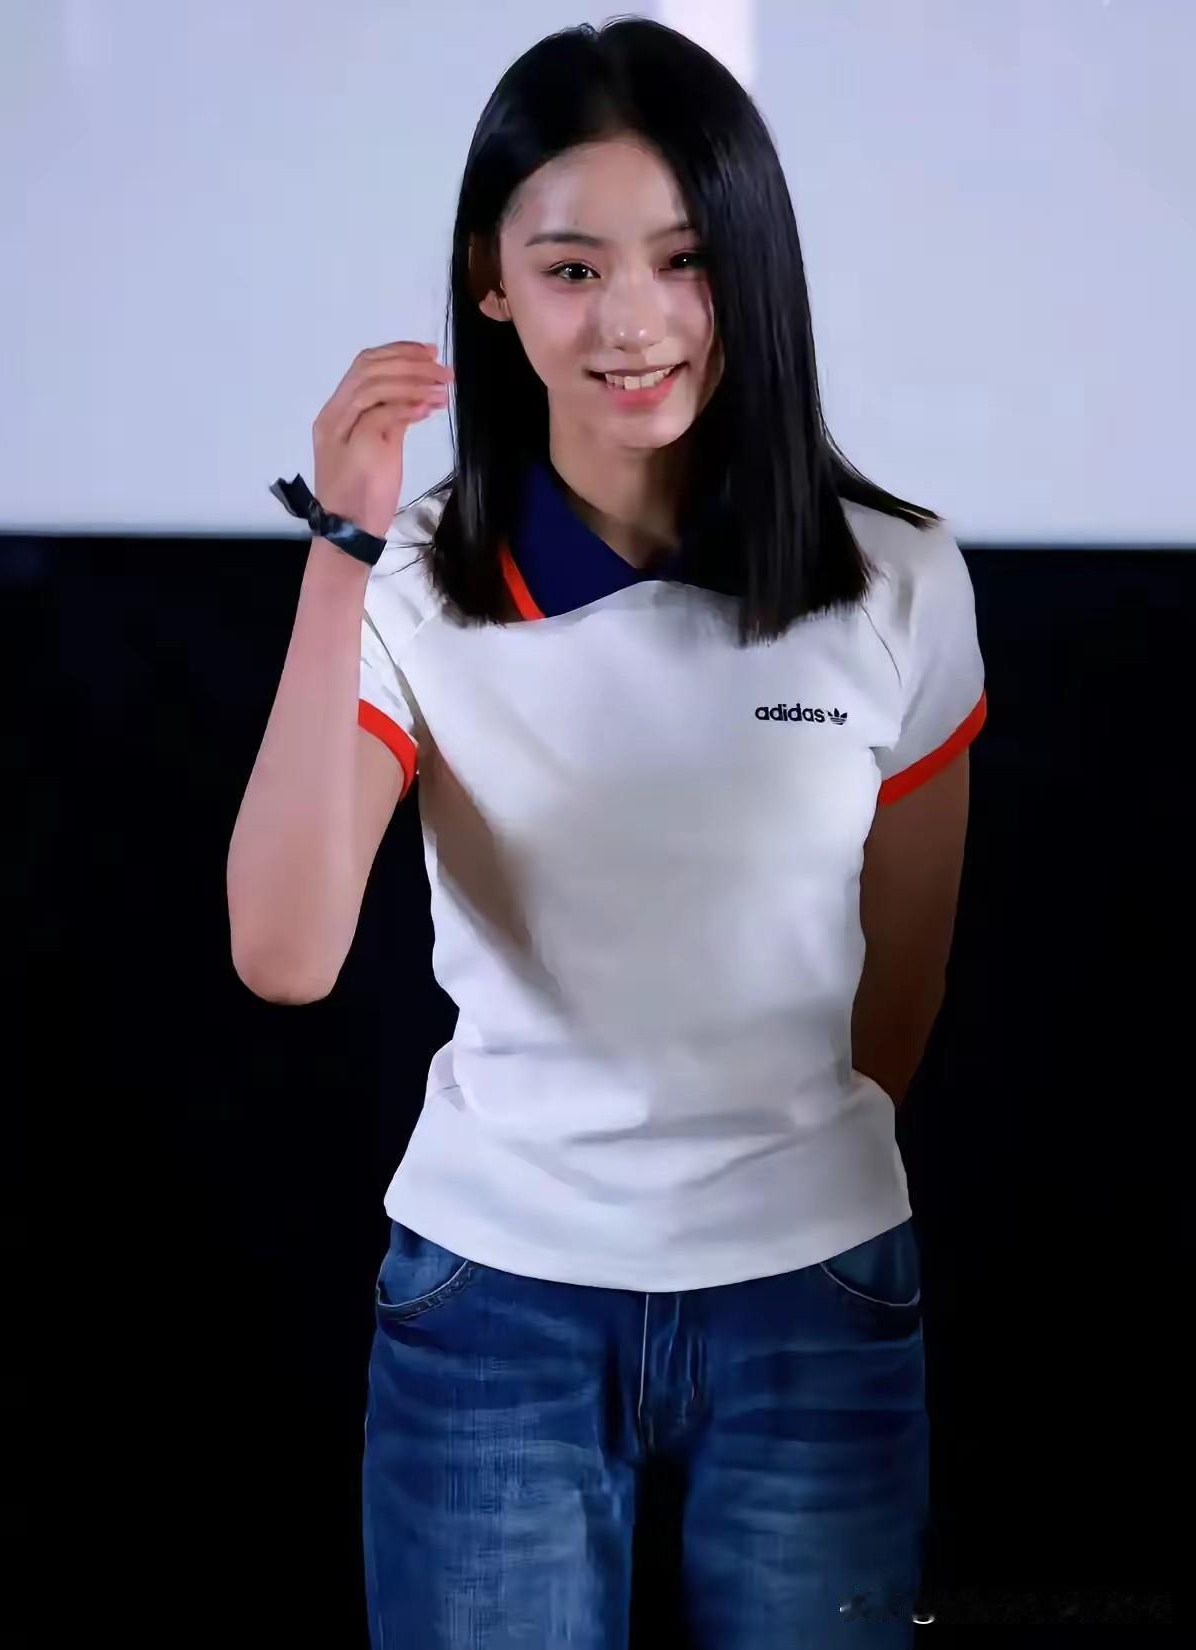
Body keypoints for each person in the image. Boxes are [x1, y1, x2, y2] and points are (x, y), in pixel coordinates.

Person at [227, 18, 985, 1649]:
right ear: (490, 284)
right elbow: (285, 952)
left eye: (685, 260)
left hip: (815, 1299)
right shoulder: (412, 580)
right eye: (572, 269)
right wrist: (340, 547)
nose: (633, 322)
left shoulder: (900, 577)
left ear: (752, 269)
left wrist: (761, 1174)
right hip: (491, 1303)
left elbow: (904, 977)